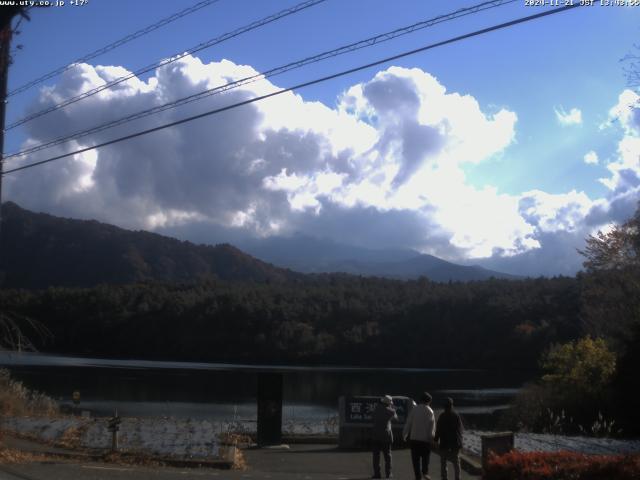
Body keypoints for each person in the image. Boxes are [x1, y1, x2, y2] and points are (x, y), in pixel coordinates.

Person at [402, 392, 435, 480]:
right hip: (425, 440)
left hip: (414, 439)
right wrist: (432, 439)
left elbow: (408, 423)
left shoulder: (414, 409)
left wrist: (404, 435)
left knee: (415, 460)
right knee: (425, 458)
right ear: (428, 401)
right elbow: (431, 428)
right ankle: (425, 472)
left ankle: (418, 477)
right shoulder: (430, 411)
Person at [434, 397, 464, 480]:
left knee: (443, 462)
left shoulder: (442, 416)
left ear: (444, 406)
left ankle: (444, 478)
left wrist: (436, 440)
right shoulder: (456, 415)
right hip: (455, 442)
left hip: (444, 442)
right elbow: (460, 430)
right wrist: (460, 442)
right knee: (456, 463)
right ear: (452, 405)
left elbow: (438, 430)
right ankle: (457, 478)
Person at [371, 395, 397, 479]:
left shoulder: (376, 408)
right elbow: (396, 418)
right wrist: (393, 408)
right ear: (389, 403)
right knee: (388, 456)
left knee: (376, 456)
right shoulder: (391, 411)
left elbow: (373, 417)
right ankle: (388, 474)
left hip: (376, 435)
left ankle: (377, 474)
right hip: (386, 436)